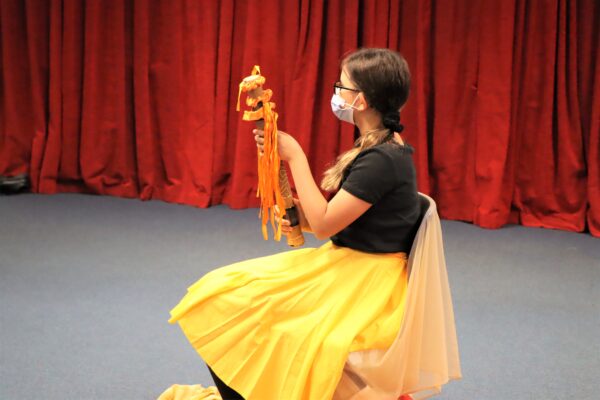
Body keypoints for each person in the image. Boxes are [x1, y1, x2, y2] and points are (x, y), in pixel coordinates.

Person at [166, 48, 421, 400]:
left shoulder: (383, 158)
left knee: (228, 301)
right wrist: (303, 217)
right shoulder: (379, 147)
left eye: (341, 86)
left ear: (361, 101)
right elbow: (347, 220)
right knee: (226, 294)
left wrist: (295, 156)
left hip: (365, 280)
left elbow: (326, 223)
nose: (336, 93)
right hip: (352, 265)